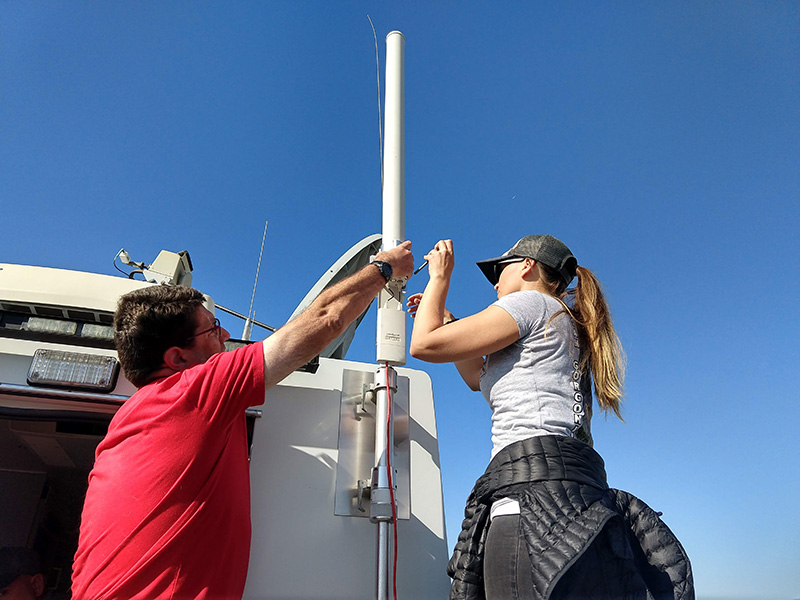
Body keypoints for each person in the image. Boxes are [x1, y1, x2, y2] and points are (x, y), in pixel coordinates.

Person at [71, 242, 414, 600]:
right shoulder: (191, 392)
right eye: (212, 329)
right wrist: (384, 267)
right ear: (178, 358)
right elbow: (328, 319)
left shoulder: (131, 417)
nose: (224, 336)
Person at [408, 236, 694, 600]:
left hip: (530, 496)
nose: (495, 283)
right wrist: (450, 322)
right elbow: (475, 378)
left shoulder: (529, 303)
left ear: (527, 265)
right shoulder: (562, 319)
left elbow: (425, 344)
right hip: (577, 496)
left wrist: (439, 277)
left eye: (500, 270)